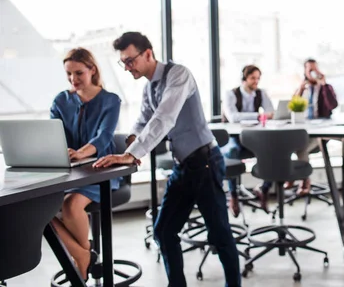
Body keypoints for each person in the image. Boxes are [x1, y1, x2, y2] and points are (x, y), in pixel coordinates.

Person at [93, 32, 240, 287]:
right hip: (183, 166)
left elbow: (164, 117)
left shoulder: (178, 75)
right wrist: (129, 142)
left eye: (130, 61)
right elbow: (143, 120)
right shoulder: (150, 87)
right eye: (123, 63)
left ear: (148, 53)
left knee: (219, 234)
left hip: (205, 163)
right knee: (163, 231)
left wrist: (132, 155)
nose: (127, 68)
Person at [49, 48, 121, 279]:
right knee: (37, 209)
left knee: (71, 206)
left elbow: (104, 136)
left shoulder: (110, 100)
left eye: (79, 73)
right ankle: (82, 254)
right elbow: (53, 135)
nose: (73, 79)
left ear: (92, 69)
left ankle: (81, 260)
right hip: (70, 171)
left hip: (101, 168)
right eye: (69, 74)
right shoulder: (61, 100)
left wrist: (81, 153)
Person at [221, 64, 275, 215]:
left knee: (273, 152)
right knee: (232, 151)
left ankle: (263, 189)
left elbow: (271, 112)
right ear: (244, 79)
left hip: (254, 136)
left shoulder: (260, 93)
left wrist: (263, 115)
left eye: (258, 78)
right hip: (234, 138)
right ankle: (233, 194)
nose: (256, 82)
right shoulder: (230, 94)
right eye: (252, 78)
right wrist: (258, 116)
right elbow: (233, 117)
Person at [291, 58, 338, 195]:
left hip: (319, 134)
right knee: (285, 143)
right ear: (305, 71)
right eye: (309, 69)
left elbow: (333, 105)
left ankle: (304, 180)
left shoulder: (325, 88)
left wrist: (323, 84)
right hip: (303, 132)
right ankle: (289, 177)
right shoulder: (302, 89)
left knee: (301, 148)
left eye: (315, 69)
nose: (313, 72)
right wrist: (300, 89)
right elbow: (291, 108)